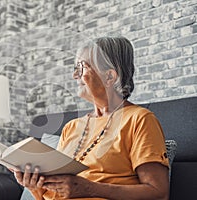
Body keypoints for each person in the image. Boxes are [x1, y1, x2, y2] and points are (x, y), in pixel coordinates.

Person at [13, 36, 170, 200]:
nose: (75, 75)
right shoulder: (71, 127)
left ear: (109, 76)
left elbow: (158, 193)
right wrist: (35, 187)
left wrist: (89, 188)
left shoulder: (139, 119)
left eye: (81, 68)